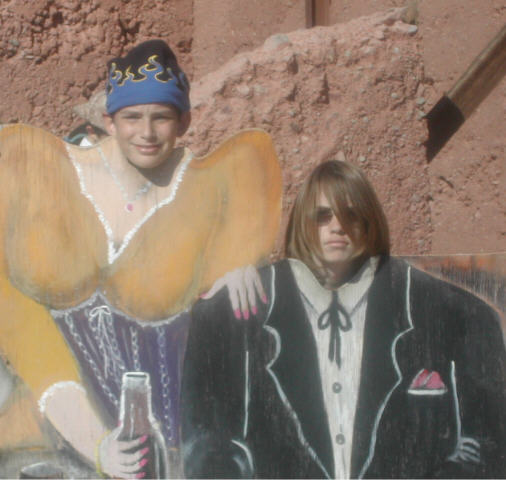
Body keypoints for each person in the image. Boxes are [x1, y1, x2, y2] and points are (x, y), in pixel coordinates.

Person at [0, 39, 281, 478]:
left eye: (161, 117)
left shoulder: (215, 188)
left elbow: (221, 336)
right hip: (46, 434)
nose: (146, 133)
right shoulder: (39, 174)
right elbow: (18, 317)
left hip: (168, 448)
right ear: (109, 121)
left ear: (184, 121)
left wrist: (235, 273)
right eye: (132, 117)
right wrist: (95, 441)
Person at [181, 160, 506, 478]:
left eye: (351, 214)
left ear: (370, 219)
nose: (337, 226)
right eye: (322, 216)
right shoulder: (236, 311)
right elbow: (205, 443)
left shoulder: (455, 313)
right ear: (302, 221)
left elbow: (490, 444)